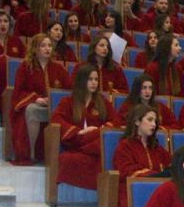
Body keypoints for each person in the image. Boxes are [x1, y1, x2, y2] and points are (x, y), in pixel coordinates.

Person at [107, 104, 171, 207]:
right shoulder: (125, 145)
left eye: (155, 121)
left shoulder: (157, 148)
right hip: (130, 189)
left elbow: (170, 166)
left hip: (158, 190)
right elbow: (125, 169)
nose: (154, 124)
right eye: (149, 120)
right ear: (137, 121)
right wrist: (152, 175)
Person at [50, 65, 117, 190]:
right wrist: (79, 131)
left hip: (95, 145)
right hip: (78, 142)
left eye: (96, 79)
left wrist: (100, 129)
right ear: (82, 80)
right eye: (90, 79)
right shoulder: (68, 102)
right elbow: (56, 119)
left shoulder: (103, 102)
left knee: (103, 160)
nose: (94, 83)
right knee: (67, 159)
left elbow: (115, 121)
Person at [10, 34, 71, 164]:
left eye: (49, 45)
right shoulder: (26, 67)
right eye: (43, 46)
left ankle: (56, 154)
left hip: (55, 108)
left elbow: (69, 90)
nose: (47, 48)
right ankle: (31, 152)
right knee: (32, 110)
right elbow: (18, 92)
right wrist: (36, 99)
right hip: (34, 105)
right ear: (35, 48)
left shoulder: (58, 68)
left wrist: (55, 100)